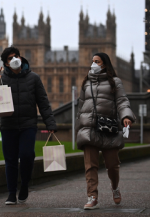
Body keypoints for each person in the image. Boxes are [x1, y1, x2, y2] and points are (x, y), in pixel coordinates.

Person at [0, 46, 57, 205]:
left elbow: (43, 102)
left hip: (28, 124)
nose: (14, 59)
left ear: (21, 58)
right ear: (6, 63)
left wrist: (50, 122)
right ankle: (11, 193)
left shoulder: (33, 78)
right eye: (10, 58)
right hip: (8, 125)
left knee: (27, 155)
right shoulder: (1, 78)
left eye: (16, 56)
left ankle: (25, 185)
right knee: (11, 160)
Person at [76, 52, 135, 210]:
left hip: (108, 128)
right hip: (89, 128)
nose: (93, 64)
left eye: (97, 61)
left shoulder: (115, 82)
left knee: (112, 165)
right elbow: (81, 107)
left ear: (105, 64)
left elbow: (122, 101)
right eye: (92, 61)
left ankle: (115, 186)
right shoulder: (86, 83)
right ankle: (92, 196)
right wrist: (78, 127)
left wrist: (126, 117)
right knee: (90, 166)